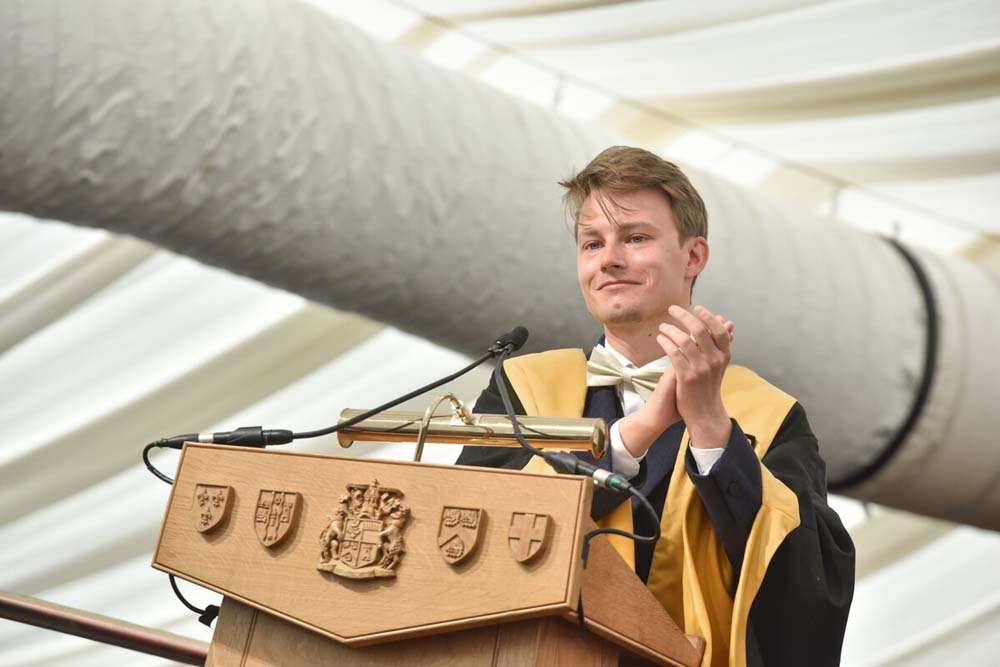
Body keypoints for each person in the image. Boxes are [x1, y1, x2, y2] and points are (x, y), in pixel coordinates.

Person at [456, 146, 854, 667]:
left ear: (693, 257)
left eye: (635, 238)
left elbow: (809, 593)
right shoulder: (522, 389)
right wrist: (637, 433)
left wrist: (711, 428)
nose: (608, 259)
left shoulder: (770, 416)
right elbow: (465, 536)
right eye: (592, 243)